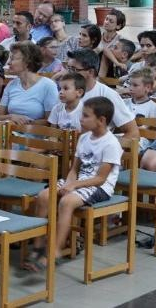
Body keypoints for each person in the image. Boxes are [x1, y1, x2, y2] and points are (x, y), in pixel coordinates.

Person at [25, 97, 122, 271]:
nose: (81, 119)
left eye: (86, 116)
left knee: (66, 202)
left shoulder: (111, 143)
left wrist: (74, 186)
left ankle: (55, 251)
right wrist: (69, 183)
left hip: (99, 187)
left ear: (101, 120)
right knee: (44, 196)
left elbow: (101, 178)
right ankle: (38, 246)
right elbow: (74, 169)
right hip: (79, 182)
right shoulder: (83, 138)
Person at [66, 49, 138, 139]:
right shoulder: (65, 92)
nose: (68, 74)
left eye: (74, 70)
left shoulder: (108, 95)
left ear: (91, 72)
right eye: (68, 68)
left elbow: (133, 132)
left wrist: (106, 146)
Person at [0, 42, 59, 125]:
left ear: (27, 62)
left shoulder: (48, 85)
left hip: (35, 132)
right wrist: (11, 117)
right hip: (10, 131)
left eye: (12, 59)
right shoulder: (11, 85)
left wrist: (24, 124)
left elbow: (51, 122)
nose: (8, 63)